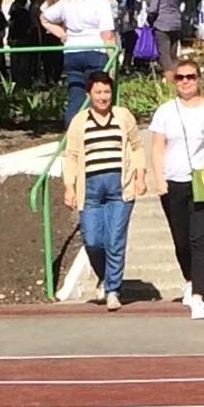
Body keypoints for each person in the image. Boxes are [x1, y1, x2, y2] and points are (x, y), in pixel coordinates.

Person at [61, 72, 146, 311]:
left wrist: (140, 176)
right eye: (98, 92)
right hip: (90, 189)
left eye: (107, 92)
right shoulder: (80, 121)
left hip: (120, 187)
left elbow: (137, 147)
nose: (103, 97)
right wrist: (69, 187)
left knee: (115, 239)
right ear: (89, 94)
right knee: (93, 240)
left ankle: (113, 290)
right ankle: (104, 275)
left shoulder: (123, 116)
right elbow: (71, 156)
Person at [149, 59, 204, 319]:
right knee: (181, 240)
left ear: (199, 79)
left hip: (203, 182)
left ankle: (198, 297)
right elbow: (157, 147)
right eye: (180, 77)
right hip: (174, 182)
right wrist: (159, 179)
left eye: (190, 77)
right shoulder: (166, 111)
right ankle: (191, 280)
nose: (185, 82)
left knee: (199, 239)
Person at [42, 0, 118, 127]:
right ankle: (98, 130)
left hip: (72, 52)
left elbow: (44, 18)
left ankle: (72, 132)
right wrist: (114, 57)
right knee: (99, 96)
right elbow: (107, 34)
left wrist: (61, 33)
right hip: (95, 52)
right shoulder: (100, 2)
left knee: (76, 97)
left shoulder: (66, 2)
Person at [149, 0, 185, 79]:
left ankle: (170, 82)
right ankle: (178, 78)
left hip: (162, 24)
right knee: (173, 56)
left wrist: (150, 21)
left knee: (165, 57)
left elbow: (153, 9)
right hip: (176, 23)